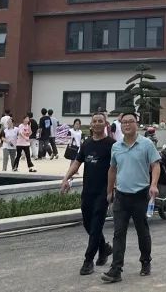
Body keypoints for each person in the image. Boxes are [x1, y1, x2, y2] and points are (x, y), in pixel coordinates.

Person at [102, 111, 160, 282]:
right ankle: (116, 269)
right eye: (124, 122)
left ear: (137, 124)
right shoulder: (116, 147)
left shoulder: (147, 144)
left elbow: (155, 165)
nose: (127, 124)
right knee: (119, 233)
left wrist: (154, 184)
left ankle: (145, 262)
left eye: (130, 121)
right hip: (121, 196)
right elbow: (112, 169)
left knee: (142, 231)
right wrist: (109, 191)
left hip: (140, 195)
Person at [62, 113, 114, 275]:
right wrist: (66, 178)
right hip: (88, 191)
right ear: (91, 124)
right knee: (87, 223)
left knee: (97, 224)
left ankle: (88, 260)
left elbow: (116, 168)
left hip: (103, 191)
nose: (97, 123)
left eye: (100, 121)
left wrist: (112, 189)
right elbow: (77, 163)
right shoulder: (87, 144)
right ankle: (103, 247)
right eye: (94, 121)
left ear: (105, 124)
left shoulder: (112, 144)